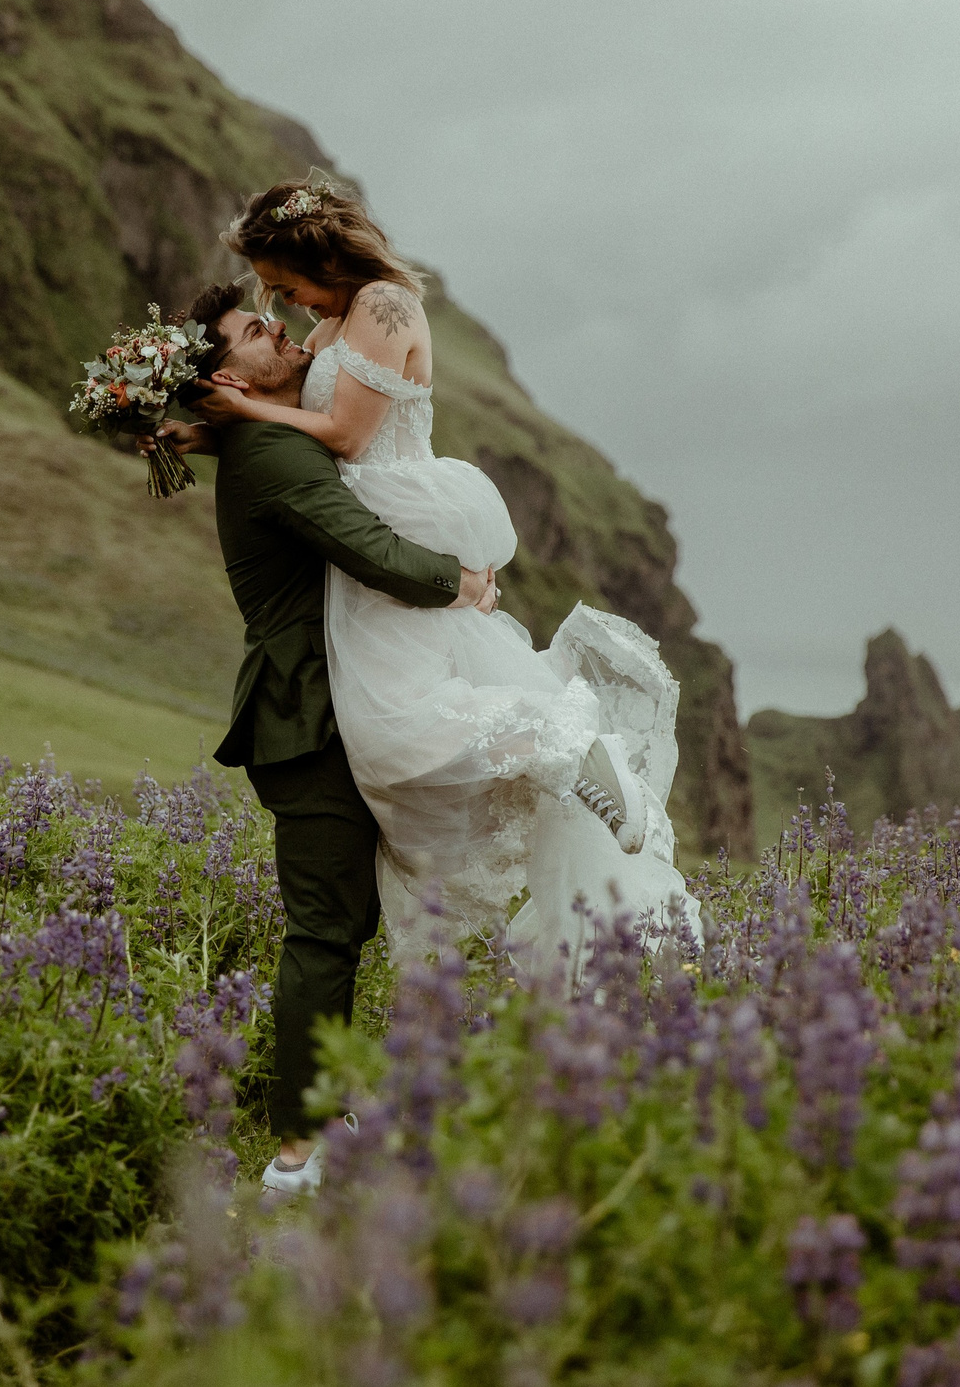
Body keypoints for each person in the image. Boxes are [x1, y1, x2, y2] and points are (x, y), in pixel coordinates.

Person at [173, 174, 698, 1027]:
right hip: (364, 545)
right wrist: (216, 425)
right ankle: (546, 786)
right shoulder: (331, 322)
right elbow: (303, 413)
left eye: (283, 279)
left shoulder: (384, 307)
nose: (280, 299)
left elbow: (343, 436)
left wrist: (241, 415)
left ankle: (566, 743)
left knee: (400, 737)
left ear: (317, 253)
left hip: (398, 509)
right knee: (393, 747)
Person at [161, 284, 501, 1198]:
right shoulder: (269, 449)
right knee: (325, 930)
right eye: (253, 331)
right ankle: (297, 1156)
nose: (277, 328)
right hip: (302, 713)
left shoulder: (257, 432)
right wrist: (461, 582)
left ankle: (351, 1122)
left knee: (354, 920)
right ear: (227, 374)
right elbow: (365, 546)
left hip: (338, 701)